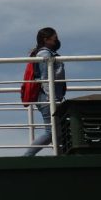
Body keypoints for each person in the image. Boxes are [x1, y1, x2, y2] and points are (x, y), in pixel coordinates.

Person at [24, 27, 66, 157]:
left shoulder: (47, 52)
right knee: (51, 132)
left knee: (57, 132)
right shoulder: (44, 54)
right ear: (46, 39)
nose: (56, 40)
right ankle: (25, 158)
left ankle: (61, 156)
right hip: (46, 96)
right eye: (54, 38)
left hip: (48, 96)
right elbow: (45, 77)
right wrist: (51, 97)